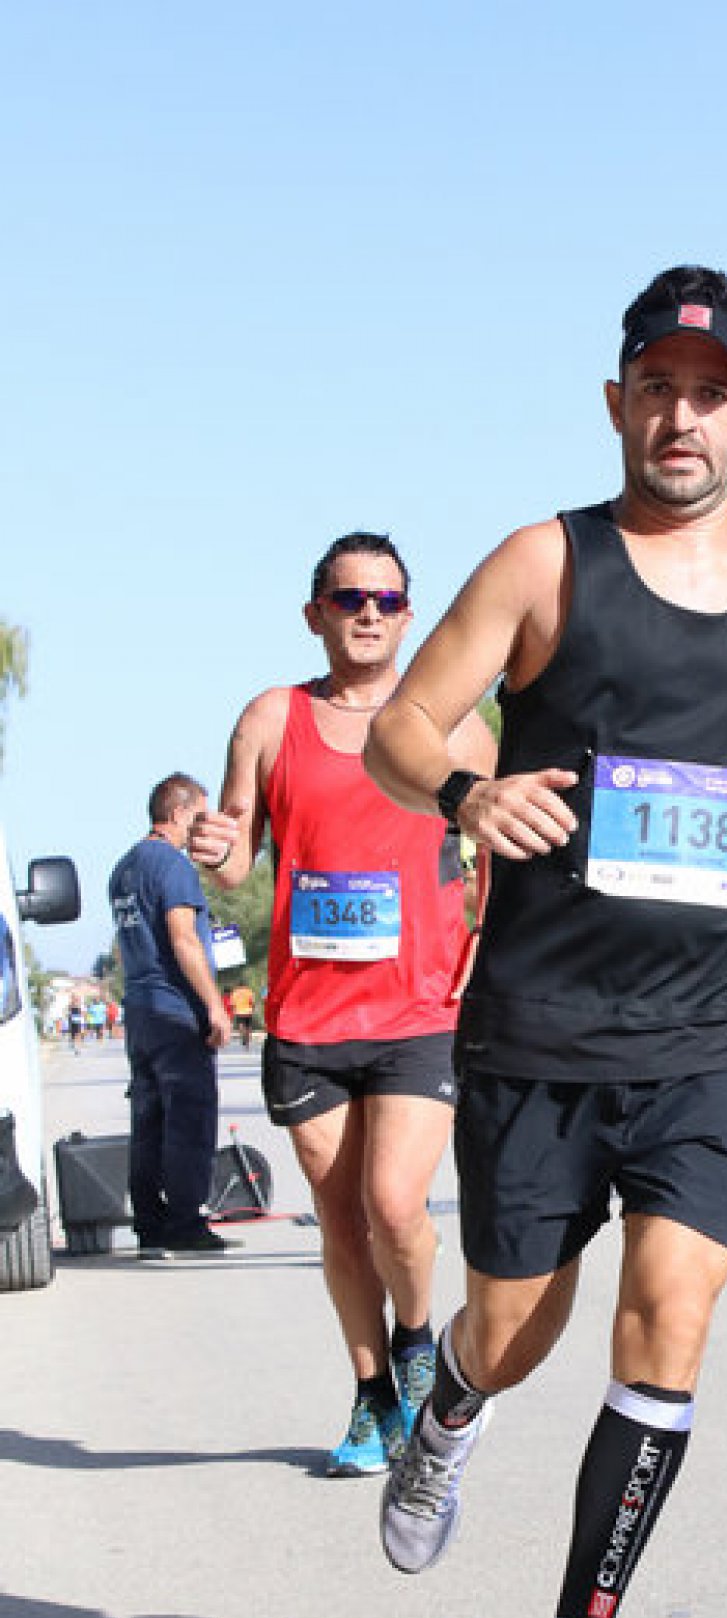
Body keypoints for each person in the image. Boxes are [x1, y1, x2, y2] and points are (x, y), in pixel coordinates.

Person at [364, 263, 727, 1618]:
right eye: (657, 388)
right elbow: (402, 726)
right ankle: (449, 1408)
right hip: (542, 1027)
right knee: (515, 1334)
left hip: (720, 1029)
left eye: (710, 393)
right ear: (617, 402)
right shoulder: (549, 563)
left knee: (669, 1313)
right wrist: (469, 792)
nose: (681, 417)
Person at [189, 533, 496, 1476]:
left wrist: (487, 948)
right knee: (340, 1219)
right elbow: (237, 856)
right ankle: (372, 1399)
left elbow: (497, 854)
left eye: (387, 600)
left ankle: (416, 1343)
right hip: (309, 1016)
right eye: (350, 597)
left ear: (409, 617)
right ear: (314, 613)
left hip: (419, 1011)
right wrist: (214, 848)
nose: (369, 612)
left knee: (395, 1205)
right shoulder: (270, 718)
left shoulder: (455, 726)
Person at [108, 774, 234, 1257]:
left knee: (149, 1120)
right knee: (189, 1118)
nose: (201, 829)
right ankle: (185, 1223)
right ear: (178, 813)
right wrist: (214, 1005)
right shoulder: (173, 866)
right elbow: (183, 938)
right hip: (175, 1010)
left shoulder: (123, 868)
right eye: (199, 817)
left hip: (140, 1010)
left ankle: (150, 1223)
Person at [228, 982, 257, 1050]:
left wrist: (233, 1010)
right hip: (248, 1011)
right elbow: (252, 1002)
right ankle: (247, 1039)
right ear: (245, 985)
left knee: (241, 1025)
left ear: (238, 986)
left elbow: (232, 1004)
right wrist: (253, 1009)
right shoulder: (249, 991)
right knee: (248, 1026)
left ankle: (243, 1036)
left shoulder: (235, 992)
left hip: (239, 1012)